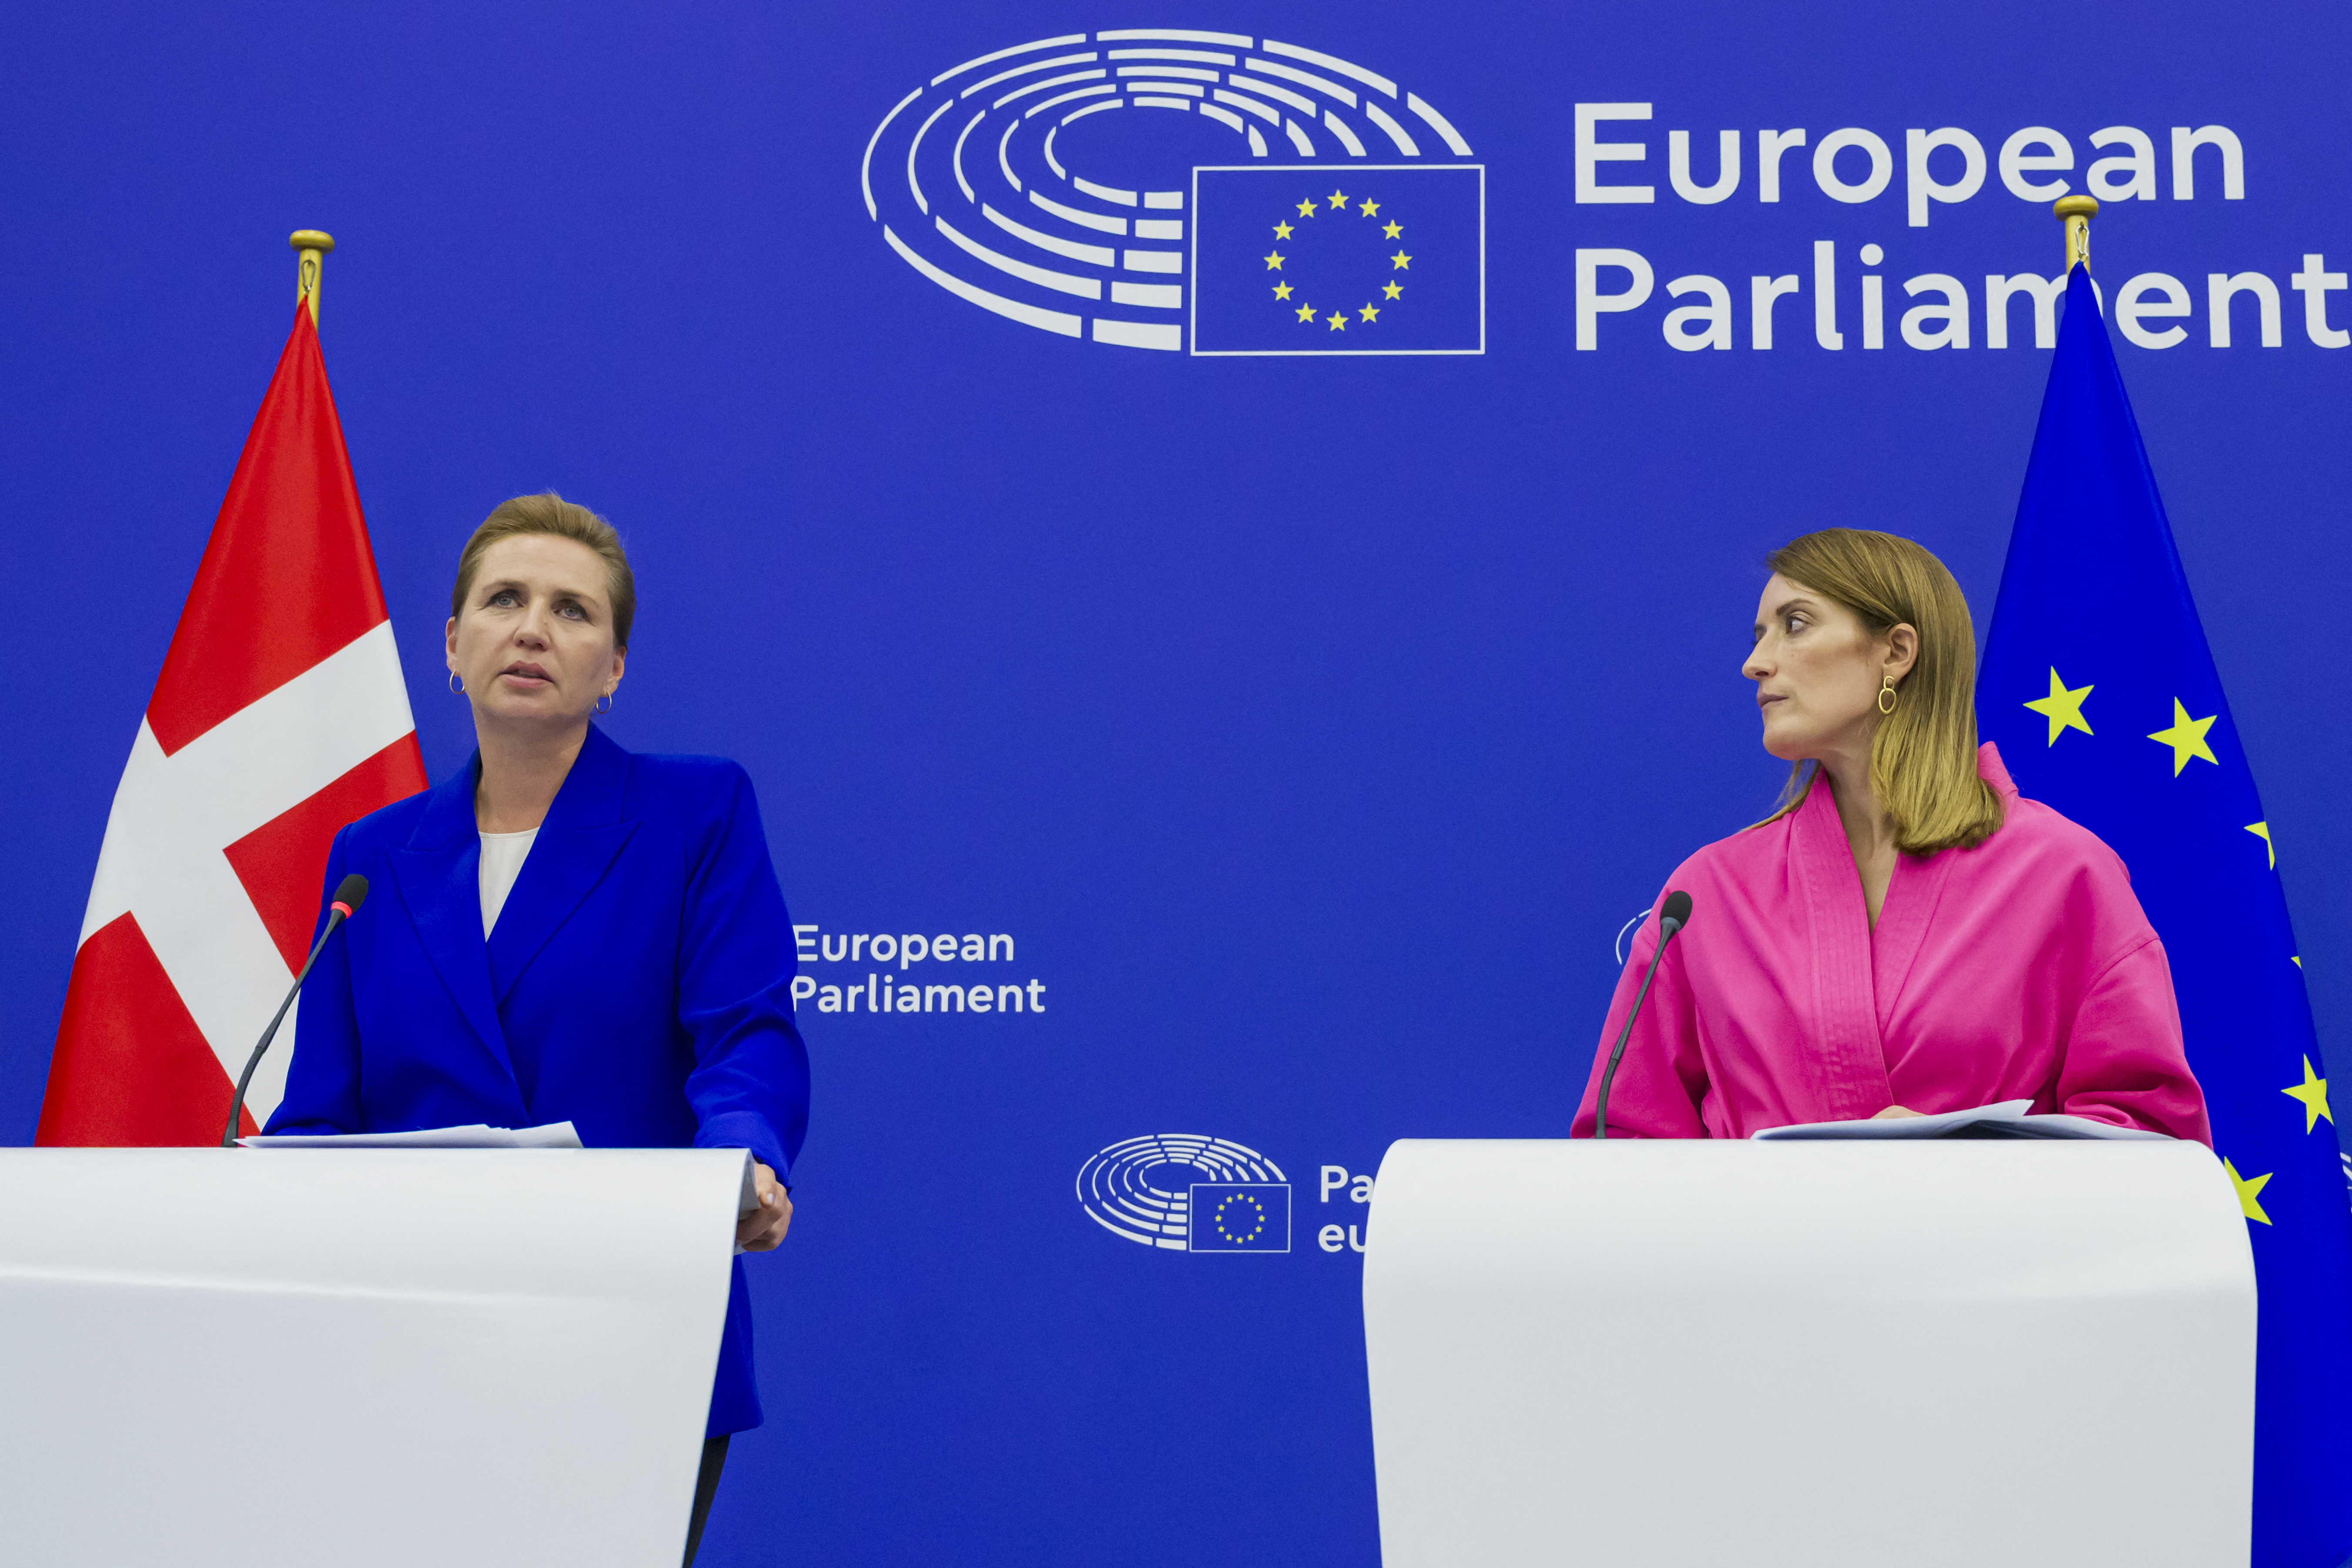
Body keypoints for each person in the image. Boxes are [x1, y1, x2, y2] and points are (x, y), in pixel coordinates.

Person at [268, 493, 809, 1564]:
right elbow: (320, 1106)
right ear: (453, 644)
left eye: (573, 611)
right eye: (504, 599)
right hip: (406, 1337)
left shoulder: (695, 814)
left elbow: (746, 1032)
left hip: (627, 1324)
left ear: (613, 669)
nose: (532, 628)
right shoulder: (370, 854)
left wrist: (738, 1162)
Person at [1572, 528, 2209, 1141]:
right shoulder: (1705, 897)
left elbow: (2149, 1138)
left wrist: (1968, 1160)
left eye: (1794, 625)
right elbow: (1625, 1139)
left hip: (1989, 1252)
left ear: (1896, 653)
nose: (1754, 664)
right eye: (1758, 635)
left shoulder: (2064, 874)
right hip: (1762, 1253)